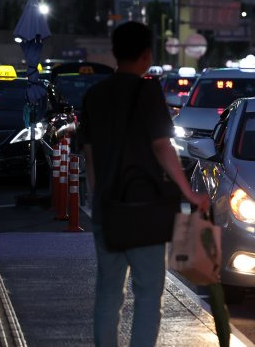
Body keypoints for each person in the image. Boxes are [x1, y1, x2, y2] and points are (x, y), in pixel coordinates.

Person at [78, 22, 209, 347]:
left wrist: (100, 200)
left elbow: (90, 158)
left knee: (109, 293)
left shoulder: (94, 96)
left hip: (108, 210)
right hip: (146, 211)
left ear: (115, 52)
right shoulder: (148, 92)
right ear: (147, 54)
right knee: (149, 293)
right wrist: (188, 191)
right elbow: (162, 147)